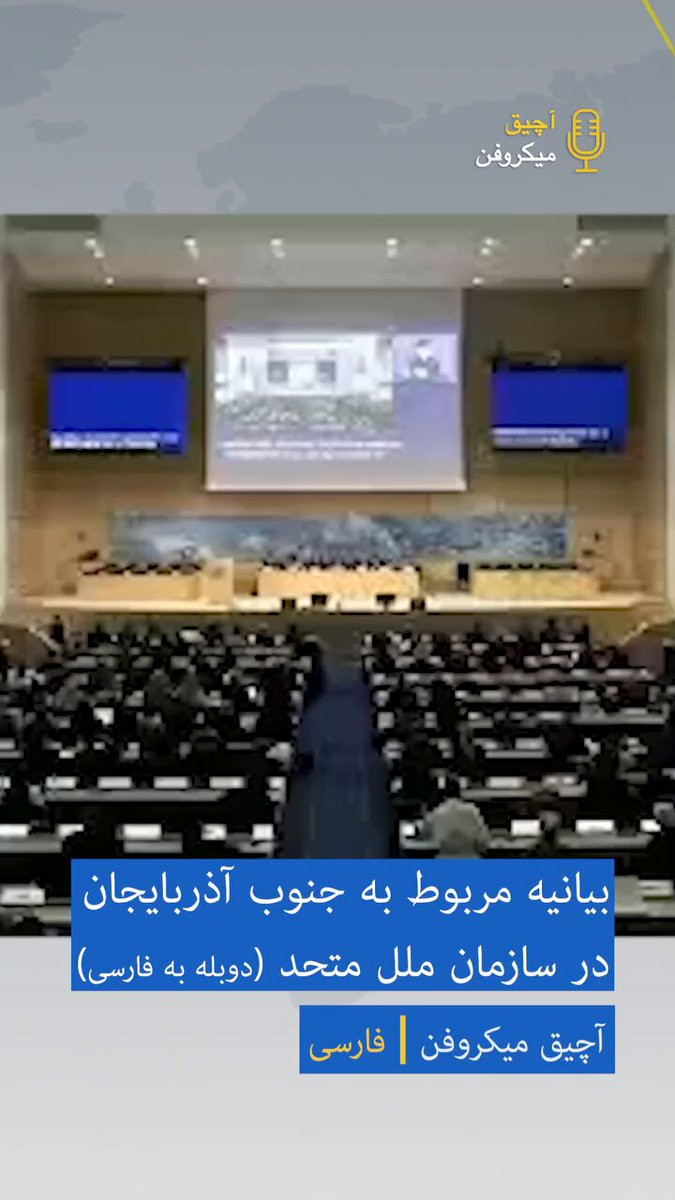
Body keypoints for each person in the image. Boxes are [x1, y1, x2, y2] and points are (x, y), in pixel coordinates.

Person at [420, 780, 490, 858]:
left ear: (443, 795)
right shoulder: (472, 811)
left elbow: (424, 838)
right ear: (460, 793)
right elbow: (484, 840)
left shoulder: (436, 813)